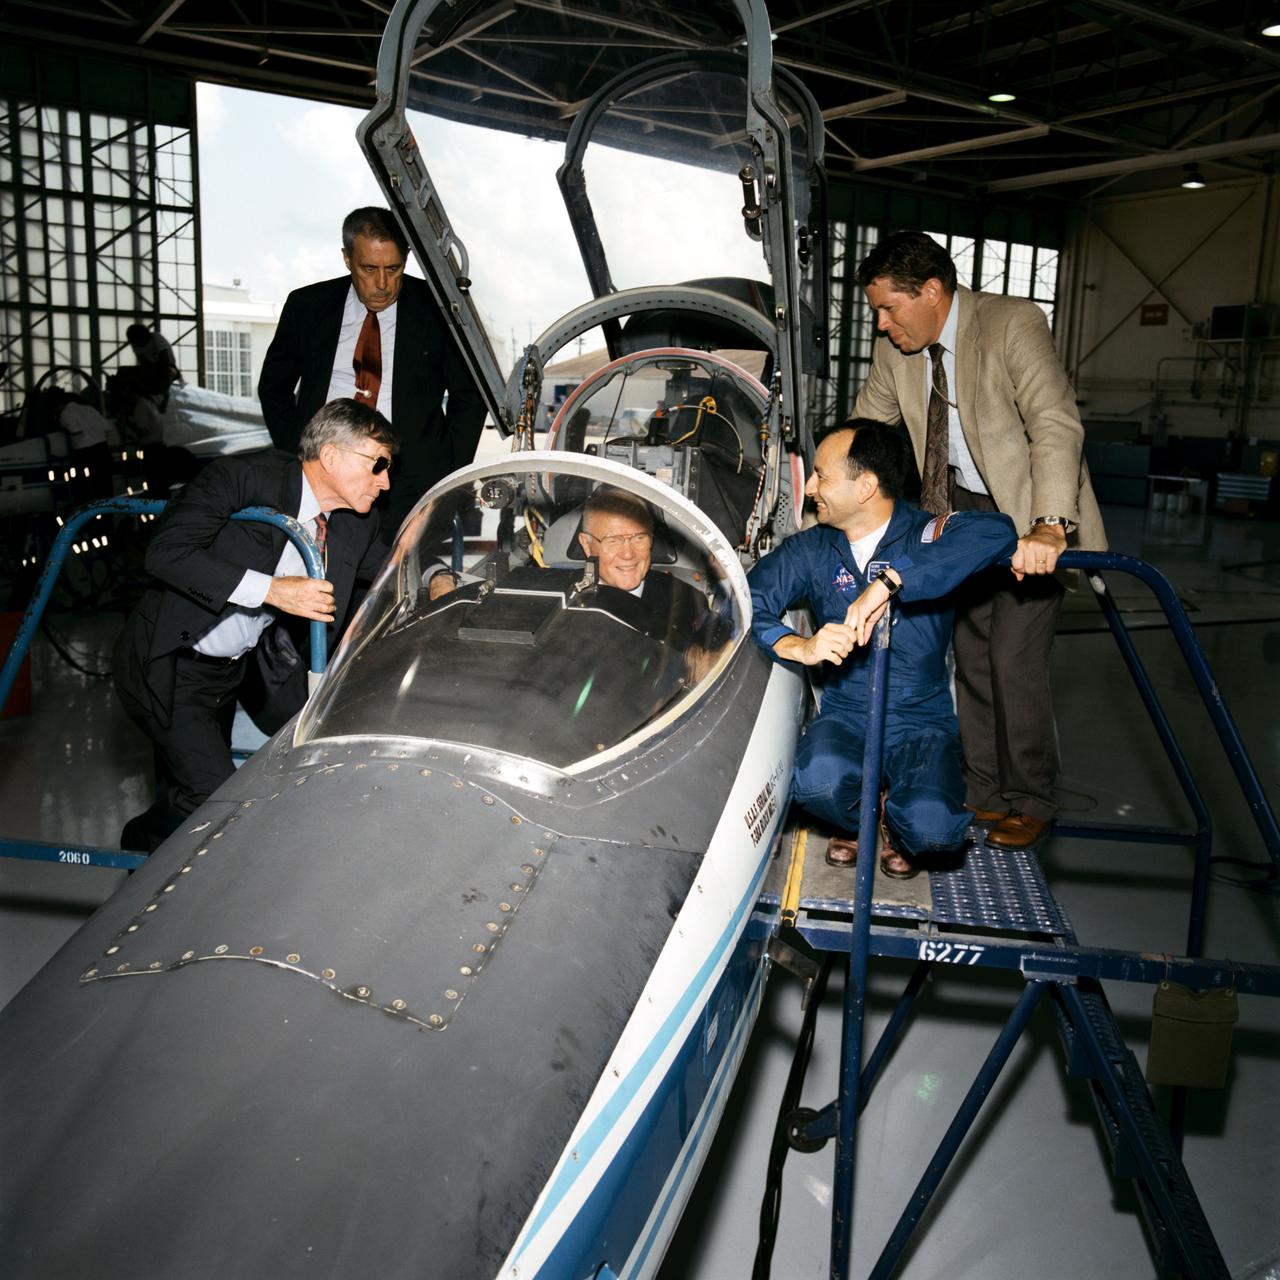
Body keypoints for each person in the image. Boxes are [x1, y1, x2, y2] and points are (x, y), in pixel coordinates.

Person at [852, 231, 1107, 851]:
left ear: (931, 291)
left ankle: (1032, 797)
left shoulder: (1012, 324)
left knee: (1012, 659)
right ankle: (986, 789)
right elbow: (865, 438)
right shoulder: (896, 352)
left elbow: (1054, 423)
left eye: (888, 309)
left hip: (1025, 513)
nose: (881, 325)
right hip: (955, 513)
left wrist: (1050, 525)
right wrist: (827, 502)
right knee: (969, 656)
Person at [113, 398, 395, 853]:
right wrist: (273, 590)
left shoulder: (355, 523)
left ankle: (162, 854)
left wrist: (438, 576)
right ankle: (141, 842)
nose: (385, 481)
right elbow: (166, 553)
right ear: (330, 455)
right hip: (170, 663)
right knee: (216, 800)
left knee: (190, 790)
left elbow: (392, 566)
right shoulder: (241, 478)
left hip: (230, 675)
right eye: (377, 464)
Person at [749, 420, 1017, 879]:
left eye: (821, 476)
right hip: (847, 710)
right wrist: (797, 645)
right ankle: (862, 816)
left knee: (934, 831)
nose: (809, 488)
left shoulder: (926, 533)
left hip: (921, 717)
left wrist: (891, 581)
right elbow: (746, 600)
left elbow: (997, 532)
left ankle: (899, 819)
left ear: (866, 487)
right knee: (816, 783)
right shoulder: (813, 549)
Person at [257, 206, 487, 541]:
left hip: (409, 481)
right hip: (325, 474)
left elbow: (469, 397)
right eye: (369, 269)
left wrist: (448, 473)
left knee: (402, 571)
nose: (382, 284)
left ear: (406, 259)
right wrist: (299, 454)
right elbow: (273, 389)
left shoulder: (439, 309)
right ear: (347, 259)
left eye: (393, 269)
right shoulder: (307, 306)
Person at [576, 487, 727, 659]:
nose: (628, 554)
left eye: (639, 538)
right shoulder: (564, 597)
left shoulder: (688, 602)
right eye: (613, 541)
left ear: (652, 540)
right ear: (586, 544)